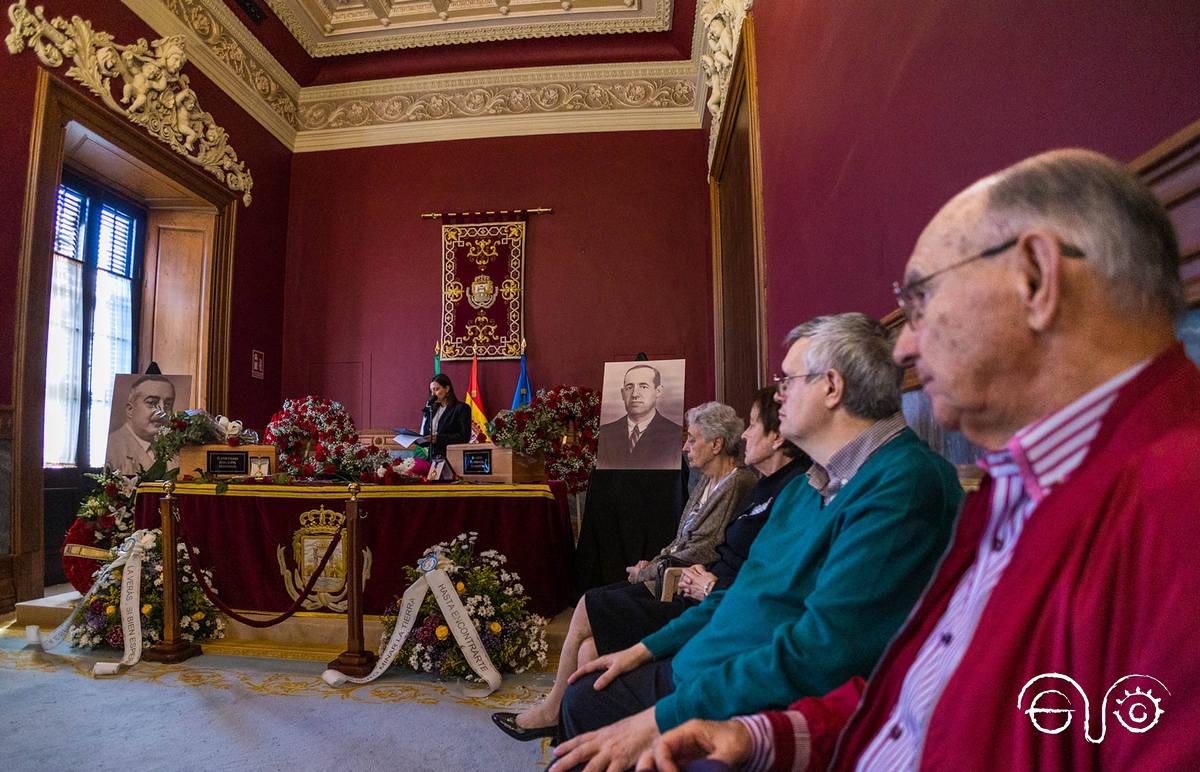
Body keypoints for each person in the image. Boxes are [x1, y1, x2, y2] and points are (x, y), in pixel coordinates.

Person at [639, 150, 1200, 771]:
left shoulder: (1176, 506)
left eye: (921, 298)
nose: (904, 344)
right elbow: (927, 691)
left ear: (1036, 278)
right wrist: (775, 736)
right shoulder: (1023, 482)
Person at [550, 313, 963, 771]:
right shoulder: (808, 484)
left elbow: (823, 651)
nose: (778, 395)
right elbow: (735, 596)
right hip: (706, 670)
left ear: (831, 386)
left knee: (592, 707)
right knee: (585, 694)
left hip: (752, 698)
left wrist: (661, 717)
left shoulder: (903, 483)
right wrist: (643, 650)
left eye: (787, 381)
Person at [493, 391, 805, 741]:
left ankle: (555, 713)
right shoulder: (714, 481)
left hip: (693, 596)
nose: (686, 446)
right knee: (588, 649)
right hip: (692, 590)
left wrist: (657, 572)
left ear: (717, 444)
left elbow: (708, 548)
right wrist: (655, 562)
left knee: (587, 603)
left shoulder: (758, 485)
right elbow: (683, 539)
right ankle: (584, 738)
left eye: (693, 439)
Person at [597, 364, 685, 470]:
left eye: (643, 387)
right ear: (622, 393)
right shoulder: (605, 433)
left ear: (658, 391)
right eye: (629, 387)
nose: (635, 394)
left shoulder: (675, 435)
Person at [105, 374, 175, 475]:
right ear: (130, 410)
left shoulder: (177, 452)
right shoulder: (113, 450)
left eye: (168, 404)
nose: (162, 411)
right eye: (152, 403)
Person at [418, 373, 471, 458]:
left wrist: (439, 439)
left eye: (436, 389)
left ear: (447, 389)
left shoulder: (462, 408)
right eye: (431, 390)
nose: (433, 394)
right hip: (432, 457)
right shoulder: (431, 409)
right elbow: (426, 434)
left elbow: (464, 437)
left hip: (451, 457)